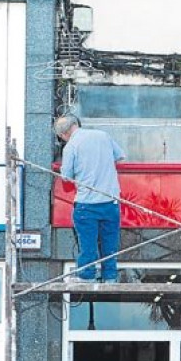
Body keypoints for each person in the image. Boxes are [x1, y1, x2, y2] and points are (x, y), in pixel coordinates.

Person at [54, 115, 126, 283]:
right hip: (110, 201)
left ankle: (87, 276)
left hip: (87, 204)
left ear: (64, 134)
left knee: (88, 245)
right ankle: (110, 277)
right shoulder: (103, 136)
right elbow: (120, 156)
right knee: (110, 244)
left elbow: (66, 176)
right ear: (76, 124)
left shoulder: (71, 146)